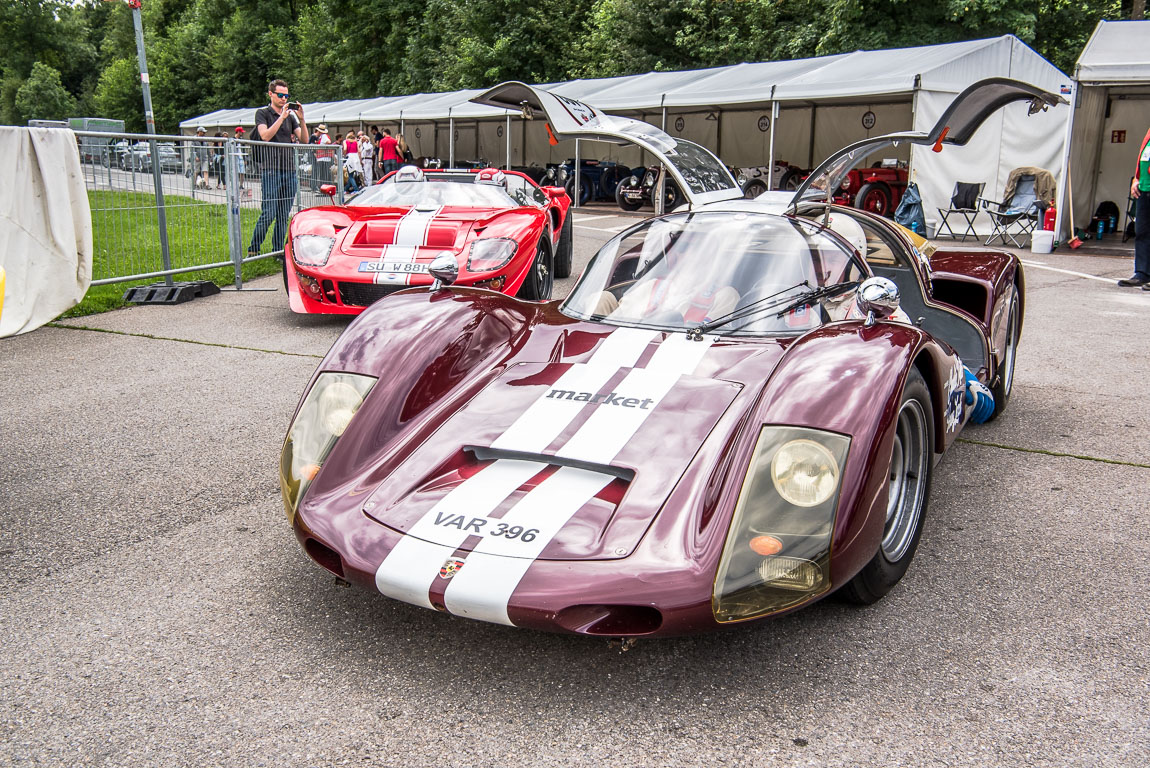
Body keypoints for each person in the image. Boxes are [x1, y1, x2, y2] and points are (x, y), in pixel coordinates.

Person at [248, 79, 306, 258]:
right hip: (271, 168)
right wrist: (281, 118)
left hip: (288, 169)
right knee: (269, 212)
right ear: (271, 94)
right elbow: (265, 135)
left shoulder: (291, 117)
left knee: (283, 214)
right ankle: (254, 249)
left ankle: (278, 251)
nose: (283, 99)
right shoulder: (263, 113)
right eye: (280, 95)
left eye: (286, 96)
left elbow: (304, 140)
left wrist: (302, 120)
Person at [1119, 126, 1150, 288]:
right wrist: (1136, 179)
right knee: (1142, 232)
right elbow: (1143, 158)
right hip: (1145, 188)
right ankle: (1142, 273)